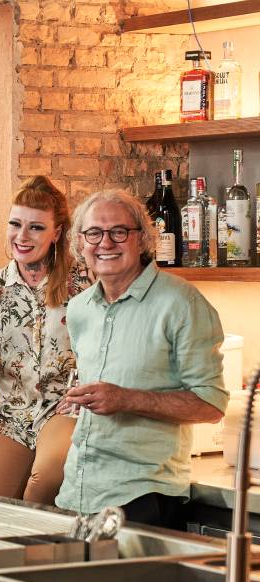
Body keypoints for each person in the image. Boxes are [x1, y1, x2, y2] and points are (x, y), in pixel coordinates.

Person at [56, 189, 228, 528]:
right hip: (77, 492)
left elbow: (211, 404)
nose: (105, 243)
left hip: (144, 496)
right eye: (94, 233)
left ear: (142, 240)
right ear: (80, 243)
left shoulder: (181, 304)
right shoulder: (79, 310)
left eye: (119, 232)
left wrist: (126, 399)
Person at [0, 176, 93, 505]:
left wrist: (83, 393)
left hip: (64, 408)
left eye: (35, 227)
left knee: (46, 479)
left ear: (57, 233)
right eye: (15, 224)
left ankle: (39, 554)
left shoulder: (85, 284)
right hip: (11, 414)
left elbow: (105, 348)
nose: (22, 236)